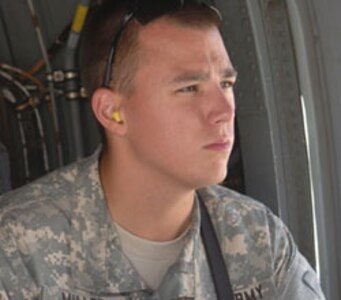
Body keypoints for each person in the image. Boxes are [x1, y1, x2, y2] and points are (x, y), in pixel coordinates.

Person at [0, 0, 325, 299]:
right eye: (189, 88)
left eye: (226, 84)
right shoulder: (17, 247)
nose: (224, 111)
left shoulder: (258, 239)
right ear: (112, 112)